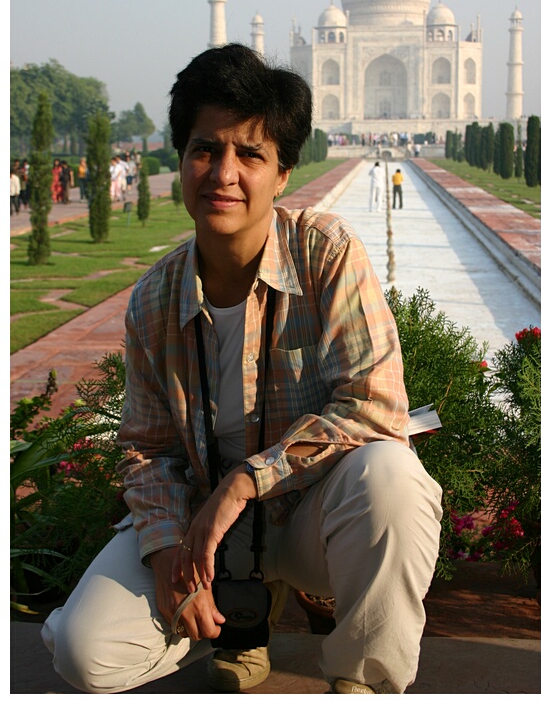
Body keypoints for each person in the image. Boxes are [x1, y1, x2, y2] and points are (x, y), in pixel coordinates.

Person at [41, 43, 442, 695]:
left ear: (282, 173)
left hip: (310, 506)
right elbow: (146, 451)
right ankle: (240, 617)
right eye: (206, 149)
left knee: (392, 477)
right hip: (205, 522)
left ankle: (359, 681)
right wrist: (173, 555)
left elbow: (374, 406)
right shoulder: (154, 298)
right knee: (85, 655)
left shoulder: (322, 252)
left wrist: (245, 485)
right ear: (182, 158)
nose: (223, 172)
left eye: (250, 154)